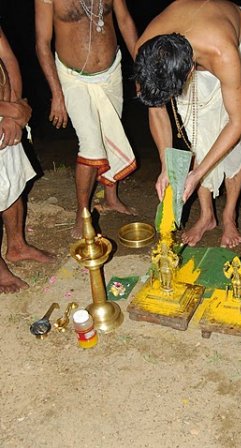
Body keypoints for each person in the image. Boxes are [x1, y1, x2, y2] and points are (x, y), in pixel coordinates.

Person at [133, 0, 241, 248]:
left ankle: (228, 215)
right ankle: (207, 216)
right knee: (197, 131)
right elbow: (156, 109)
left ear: (191, 70)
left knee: (235, 145)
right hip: (196, 42)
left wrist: (198, 174)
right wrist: (165, 165)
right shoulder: (147, 52)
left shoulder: (223, 53)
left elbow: (239, 120)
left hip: (235, 38)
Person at [35, 0, 138, 239]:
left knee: (112, 132)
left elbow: (124, 21)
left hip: (112, 70)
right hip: (73, 78)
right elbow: (42, 43)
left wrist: (141, 68)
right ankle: (82, 213)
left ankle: (111, 198)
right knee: (91, 145)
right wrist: (57, 93)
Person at [0, 27, 55, 294]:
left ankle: (17, 245)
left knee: (13, 180)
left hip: (6, 114)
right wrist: (8, 108)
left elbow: (9, 59)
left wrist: (12, 114)